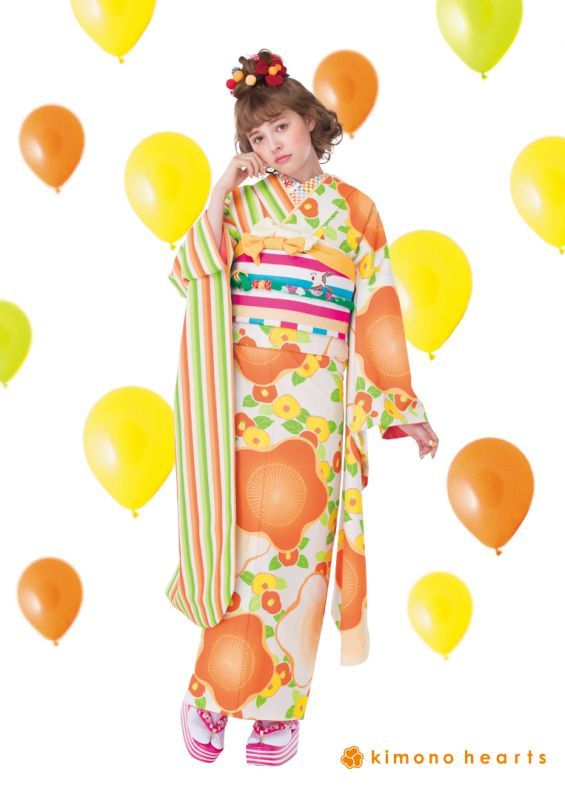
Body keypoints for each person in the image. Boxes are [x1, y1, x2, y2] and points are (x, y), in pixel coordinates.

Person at [166, 49, 439, 767]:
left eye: (280, 127)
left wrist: (401, 404)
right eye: (256, 138)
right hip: (246, 400)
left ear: (311, 120)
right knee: (239, 551)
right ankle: (209, 694)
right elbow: (189, 268)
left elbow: (376, 308)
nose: (272, 145)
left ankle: (279, 711)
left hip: (318, 404)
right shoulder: (243, 203)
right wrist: (222, 187)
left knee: (301, 554)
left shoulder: (357, 210)